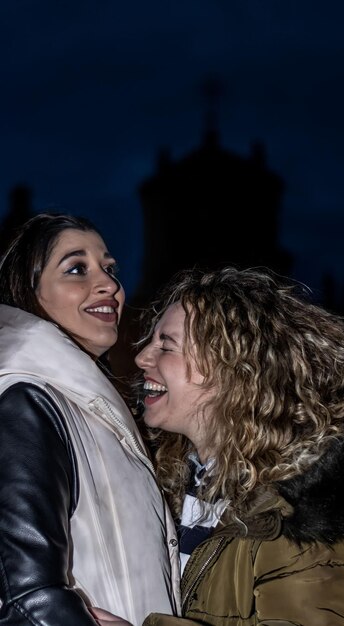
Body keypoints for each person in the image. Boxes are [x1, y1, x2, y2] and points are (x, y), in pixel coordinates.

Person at [96, 265, 344, 625]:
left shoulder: (311, 509)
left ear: (233, 370)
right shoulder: (179, 483)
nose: (142, 357)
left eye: (166, 345)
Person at [0, 213, 180, 625]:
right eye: (76, 269)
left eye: (109, 269)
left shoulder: (89, 408)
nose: (110, 286)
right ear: (27, 292)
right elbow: (25, 598)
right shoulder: (26, 401)